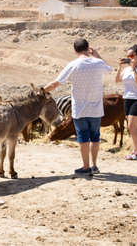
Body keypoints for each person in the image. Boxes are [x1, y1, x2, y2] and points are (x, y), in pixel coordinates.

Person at [44, 38, 111, 175]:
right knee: (95, 138)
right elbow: (109, 70)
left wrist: (42, 91)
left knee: (83, 139)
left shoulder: (73, 65)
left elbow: (56, 83)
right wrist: (97, 55)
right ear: (88, 48)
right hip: (96, 108)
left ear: (75, 50)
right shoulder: (98, 63)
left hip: (79, 109)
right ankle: (95, 165)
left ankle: (85, 166)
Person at [115, 44, 137, 160]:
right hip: (127, 99)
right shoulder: (126, 69)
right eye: (128, 56)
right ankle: (136, 151)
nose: (130, 57)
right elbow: (117, 80)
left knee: (131, 126)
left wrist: (134, 68)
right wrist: (120, 67)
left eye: (132, 55)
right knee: (133, 128)